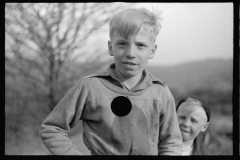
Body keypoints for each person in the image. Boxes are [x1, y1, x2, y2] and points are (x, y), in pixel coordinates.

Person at [39, 7, 183, 155]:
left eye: (140, 45)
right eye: (122, 44)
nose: (131, 53)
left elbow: (172, 142)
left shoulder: (160, 92)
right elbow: (52, 128)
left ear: (152, 50)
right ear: (110, 47)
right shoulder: (90, 87)